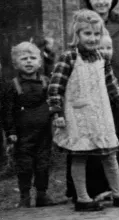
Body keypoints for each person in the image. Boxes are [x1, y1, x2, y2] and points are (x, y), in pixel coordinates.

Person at [48, 10, 119, 212]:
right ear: (76, 35)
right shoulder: (68, 57)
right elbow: (55, 87)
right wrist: (57, 113)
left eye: (96, 34)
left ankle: (117, 193)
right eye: (87, 34)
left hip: (101, 113)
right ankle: (82, 197)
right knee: (80, 155)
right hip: (78, 115)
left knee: (110, 154)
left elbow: (111, 84)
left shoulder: (102, 59)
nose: (92, 39)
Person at [2, 42, 56, 208]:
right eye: (24, 59)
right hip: (22, 135)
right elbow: (7, 111)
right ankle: (24, 196)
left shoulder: (46, 82)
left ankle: (42, 195)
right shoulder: (12, 86)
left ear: (39, 62)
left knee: (43, 164)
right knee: (24, 166)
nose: (29, 61)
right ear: (16, 63)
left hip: (44, 133)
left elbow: (54, 103)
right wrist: (10, 131)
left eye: (33, 58)